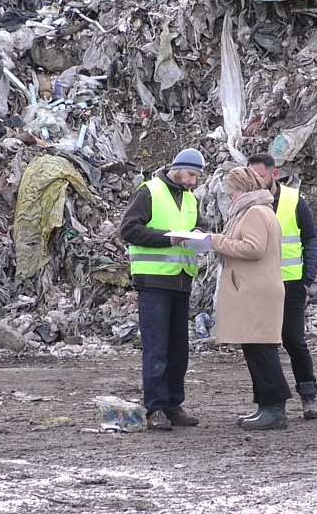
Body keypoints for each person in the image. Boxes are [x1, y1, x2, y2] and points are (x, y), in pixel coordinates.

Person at [119, 148, 206, 431]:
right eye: (191, 174)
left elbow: (198, 227)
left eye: (197, 177)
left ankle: (173, 405)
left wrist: (202, 237)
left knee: (179, 349)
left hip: (182, 281)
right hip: (154, 282)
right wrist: (166, 239)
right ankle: (155, 409)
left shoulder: (190, 198)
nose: (193, 181)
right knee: (157, 349)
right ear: (178, 168)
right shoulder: (149, 192)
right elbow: (129, 229)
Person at [209, 167, 290, 430]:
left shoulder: (255, 212)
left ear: (241, 189)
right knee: (255, 349)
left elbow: (253, 249)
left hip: (257, 291)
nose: (230, 197)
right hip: (254, 290)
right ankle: (264, 406)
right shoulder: (259, 209)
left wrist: (217, 242)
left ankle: (275, 409)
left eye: (231, 191)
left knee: (262, 350)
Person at [247, 153, 317, 419]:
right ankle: (266, 403)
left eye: (261, 177)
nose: (256, 182)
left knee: (293, 340)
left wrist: (306, 280)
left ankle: (309, 394)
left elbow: (310, 240)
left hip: (290, 284)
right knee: (262, 343)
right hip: (260, 285)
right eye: (252, 177)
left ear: (275, 174)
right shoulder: (248, 202)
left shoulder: (293, 200)